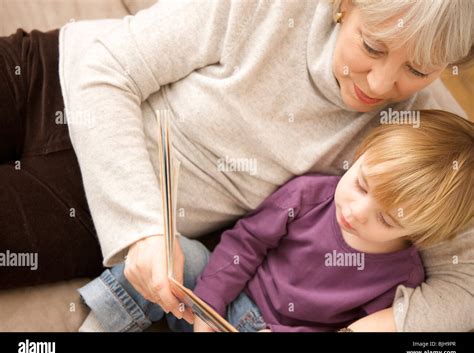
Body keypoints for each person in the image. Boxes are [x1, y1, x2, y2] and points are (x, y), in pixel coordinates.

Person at [1, 0, 473, 331]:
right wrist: (140, 229)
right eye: (372, 47)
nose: (382, 81)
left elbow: (466, 287)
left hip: (87, 199)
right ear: (344, 4)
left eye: (419, 69)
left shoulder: (420, 137)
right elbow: (108, 70)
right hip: (59, 71)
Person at [78, 110, 473, 332]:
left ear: (419, 234)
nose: (354, 212)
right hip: (218, 300)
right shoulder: (308, 195)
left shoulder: (403, 279)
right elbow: (244, 245)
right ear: (362, 154)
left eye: (385, 220)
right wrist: (209, 309)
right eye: (362, 185)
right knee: (175, 251)